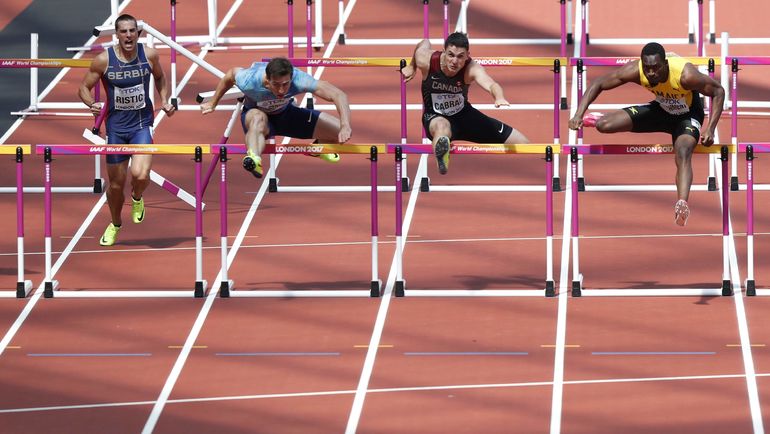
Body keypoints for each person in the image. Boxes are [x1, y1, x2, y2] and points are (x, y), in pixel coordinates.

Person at [569, 42, 725, 226]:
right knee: (604, 125)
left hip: (687, 117)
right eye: (647, 68)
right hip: (661, 111)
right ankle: (596, 118)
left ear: (665, 64)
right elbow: (599, 82)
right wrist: (578, 114)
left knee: (683, 151)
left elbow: (718, 91)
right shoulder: (637, 70)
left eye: (655, 68)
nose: (651, 73)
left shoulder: (686, 75)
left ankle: (682, 203)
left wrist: (711, 128)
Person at [78, 14, 176, 246]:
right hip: (116, 128)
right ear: (117, 35)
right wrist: (91, 103)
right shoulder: (104, 60)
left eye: (132, 31)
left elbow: (161, 78)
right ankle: (115, 223)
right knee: (115, 185)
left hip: (141, 124)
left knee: (141, 176)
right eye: (124, 31)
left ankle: (138, 196)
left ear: (138, 33)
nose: (129, 35)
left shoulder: (149, 55)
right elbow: (83, 87)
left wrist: (165, 100)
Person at [200, 57, 352, 178]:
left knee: (339, 130)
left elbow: (338, 94)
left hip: (286, 115)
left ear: (291, 79)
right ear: (267, 80)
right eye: (276, 84)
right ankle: (254, 158)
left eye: (285, 84)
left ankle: (317, 149)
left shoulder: (299, 79)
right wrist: (213, 102)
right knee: (257, 117)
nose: (281, 90)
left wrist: (345, 125)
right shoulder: (250, 80)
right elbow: (230, 75)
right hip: (258, 119)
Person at [401, 31, 529, 175]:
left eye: (460, 56)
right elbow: (423, 43)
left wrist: (499, 97)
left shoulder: (472, 68)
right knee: (442, 128)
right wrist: (412, 66)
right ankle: (442, 157)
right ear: (444, 51)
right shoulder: (426, 59)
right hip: (435, 116)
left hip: (465, 116)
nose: (455, 61)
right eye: (450, 55)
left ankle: (444, 144)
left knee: (523, 144)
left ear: (467, 55)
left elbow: (492, 84)